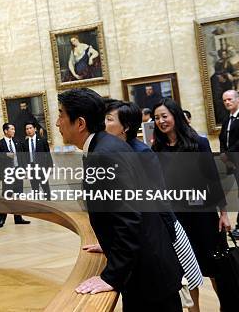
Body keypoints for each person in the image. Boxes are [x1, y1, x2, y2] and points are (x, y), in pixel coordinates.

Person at [56, 88, 183, 311]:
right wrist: (108, 243)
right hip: (148, 266)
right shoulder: (105, 145)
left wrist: (110, 277)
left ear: (80, 123)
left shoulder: (104, 154)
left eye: (61, 115)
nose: (57, 123)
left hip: (148, 275)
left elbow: (129, 217)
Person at [101, 100, 204, 311]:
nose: (103, 124)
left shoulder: (140, 153)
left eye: (109, 119)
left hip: (164, 229)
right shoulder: (122, 150)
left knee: (185, 278)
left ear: (126, 127)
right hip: (151, 234)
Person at [152, 98, 233, 311]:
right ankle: (193, 310)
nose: (160, 121)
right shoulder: (157, 147)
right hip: (177, 217)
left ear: (175, 116)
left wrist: (223, 213)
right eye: (157, 118)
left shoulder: (199, 142)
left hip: (204, 214)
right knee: (186, 270)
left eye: (164, 116)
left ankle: (226, 305)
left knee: (215, 265)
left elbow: (212, 179)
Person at [0, 123, 30, 228]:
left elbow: (22, 158)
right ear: (5, 131)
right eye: (12, 129)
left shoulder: (18, 142)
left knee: (18, 196)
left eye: (14, 129)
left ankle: (18, 218)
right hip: (7, 174)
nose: (14, 131)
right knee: (6, 197)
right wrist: (6, 155)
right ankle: (1, 219)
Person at [219, 90, 239, 240]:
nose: (227, 102)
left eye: (229, 99)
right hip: (233, 164)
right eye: (224, 100)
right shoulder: (227, 119)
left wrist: (227, 154)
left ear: (237, 99)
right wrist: (224, 155)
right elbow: (222, 138)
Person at [19, 121, 53, 198]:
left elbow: (48, 154)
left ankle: (49, 204)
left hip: (42, 167)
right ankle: (37, 207)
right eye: (27, 129)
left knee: (45, 187)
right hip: (31, 168)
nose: (29, 130)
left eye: (30, 128)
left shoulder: (42, 140)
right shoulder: (24, 143)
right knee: (34, 189)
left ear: (35, 129)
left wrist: (50, 166)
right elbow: (24, 158)